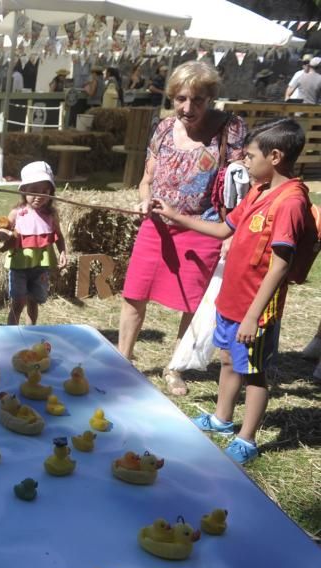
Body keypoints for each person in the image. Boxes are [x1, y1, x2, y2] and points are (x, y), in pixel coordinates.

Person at [152, 119, 314, 464]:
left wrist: (254, 315)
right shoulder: (259, 190)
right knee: (228, 359)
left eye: (249, 155)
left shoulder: (289, 203)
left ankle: (248, 438)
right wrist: (175, 216)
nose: (243, 161)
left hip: (256, 308)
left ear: (274, 156)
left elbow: (281, 265)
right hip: (232, 298)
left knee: (254, 373)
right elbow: (223, 229)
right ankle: (222, 419)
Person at [118, 61, 247, 396]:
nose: (188, 108)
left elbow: (238, 185)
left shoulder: (229, 130)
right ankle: (122, 358)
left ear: (211, 99)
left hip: (202, 226)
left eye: (198, 100)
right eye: (181, 99)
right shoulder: (162, 129)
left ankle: (176, 366)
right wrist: (145, 201)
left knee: (191, 302)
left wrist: (231, 233)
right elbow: (146, 180)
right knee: (135, 292)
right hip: (157, 225)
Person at [0, 161, 68, 325]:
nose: (39, 196)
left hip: (40, 267)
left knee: (33, 301)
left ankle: (30, 332)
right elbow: (3, 229)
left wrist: (63, 252)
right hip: (19, 266)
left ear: (51, 192)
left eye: (45, 191)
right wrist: (3, 234)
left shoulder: (51, 215)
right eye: (34, 191)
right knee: (18, 302)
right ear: (24, 191)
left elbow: (59, 236)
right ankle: (11, 332)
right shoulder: (17, 213)